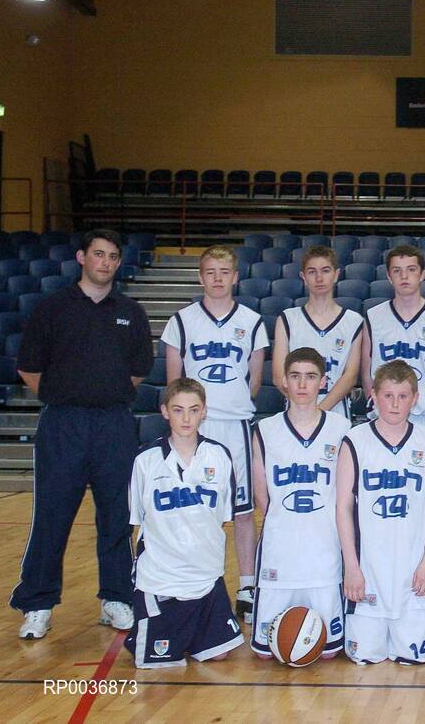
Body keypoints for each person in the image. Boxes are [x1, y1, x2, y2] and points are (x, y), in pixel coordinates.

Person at [11, 228, 153, 640]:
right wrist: (65, 395)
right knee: (52, 515)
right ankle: (37, 603)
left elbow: (140, 367)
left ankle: (116, 598)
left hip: (113, 424)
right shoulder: (52, 309)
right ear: (81, 257)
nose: (105, 262)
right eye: (98, 254)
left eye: (112, 256)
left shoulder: (130, 311)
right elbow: (29, 367)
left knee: (116, 516)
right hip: (63, 425)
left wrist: (103, 393)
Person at [161, 245, 269, 622]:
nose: (218, 278)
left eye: (225, 271)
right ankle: (195, 582)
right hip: (194, 427)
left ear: (236, 276)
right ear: (200, 276)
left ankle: (248, 585)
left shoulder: (253, 321)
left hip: (235, 425)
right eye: (211, 271)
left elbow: (254, 382)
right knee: (193, 507)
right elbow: (174, 381)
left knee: (242, 511)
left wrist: (228, 404)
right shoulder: (182, 321)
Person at [124, 377, 244, 668]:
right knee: (160, 663)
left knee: (220, 655)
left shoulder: (220, 456)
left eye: (194, 409)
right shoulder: (146, 460)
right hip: (163, 577)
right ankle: (155, 625)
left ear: (204, 411)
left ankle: (190, 631)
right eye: (178, 410)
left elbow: (221, 519)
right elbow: (136, 522)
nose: (186, 418)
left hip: (206, 575)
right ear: (165, 411)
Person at [250, 348, 351, 659]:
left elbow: (348, 495)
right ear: (284, 382)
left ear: (323, 382)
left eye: (310, 377)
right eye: (295, 376)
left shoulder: (343, 429)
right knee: (267, 652)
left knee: (330, 651)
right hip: (281, 551)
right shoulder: (265, 431)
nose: (303, 384)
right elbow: (261, 496)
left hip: (324, 551)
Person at [336, 360, 425, 665]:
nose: (395, 404)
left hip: (413, 576)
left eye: (403, 396)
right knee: (364, 662)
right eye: (388, 395)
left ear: (416, 398)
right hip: (369, 575)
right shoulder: (355, 441)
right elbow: (343, 508)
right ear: (374, 395)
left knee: (414, 662)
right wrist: (351, 568)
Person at [362, 245, 425, 430]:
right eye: (397, 271)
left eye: (411, 270)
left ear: (422, 274)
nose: (404, 276)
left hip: (424, 415)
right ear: (389, 276)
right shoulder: (373, 316)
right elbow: (366, 372)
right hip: (382, 416)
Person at [272, 244, 363, 419]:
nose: (319, 278)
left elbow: (350, 376)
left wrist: (318, 411)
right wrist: (304, 409)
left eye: (325, 271)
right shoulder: (287, 319)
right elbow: (278, 376)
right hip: (296, 411)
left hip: (335, 412)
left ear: (336, 275)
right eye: (312, 272)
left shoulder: (353, 321)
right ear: (303, 277)